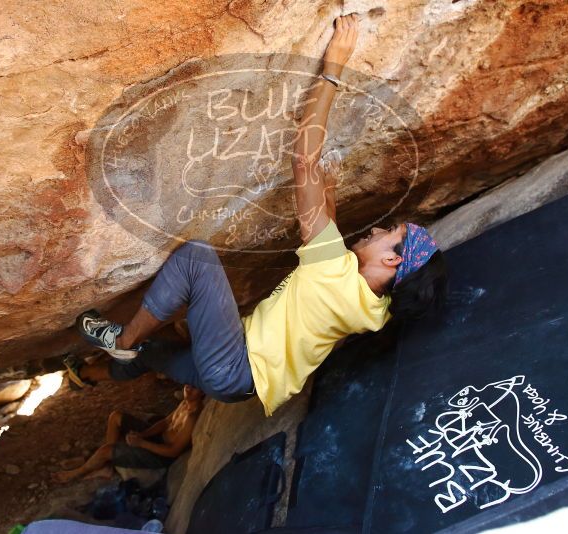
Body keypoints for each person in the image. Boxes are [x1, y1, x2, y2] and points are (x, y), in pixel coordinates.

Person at [72, 14, 448, 417]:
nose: (377, 229)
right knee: (157, 349)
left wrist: (334, 67)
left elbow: (304, 160)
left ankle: (122, 342)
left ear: (391, 260)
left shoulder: (334, 274)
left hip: (232, 366)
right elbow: (328, 242)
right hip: (241, 386)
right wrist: (328, 191)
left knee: (196, 258)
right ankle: (106, 368)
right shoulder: (376, 308)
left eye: (390, 232)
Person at [53, 385, 205, 483]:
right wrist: (144, 434)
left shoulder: (192, 417)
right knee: (116, 417)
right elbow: (165, 422)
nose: (188, 389)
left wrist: (142, 443)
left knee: (106, 451)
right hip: (156, 438)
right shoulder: (185, 403)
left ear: (203, 391)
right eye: (188, 384)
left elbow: (173, 451)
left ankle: (77, 472)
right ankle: (108, 464)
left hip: (161, 454)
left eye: (195, 388)